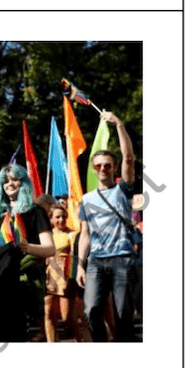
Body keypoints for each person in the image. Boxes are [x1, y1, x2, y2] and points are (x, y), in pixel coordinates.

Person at [74, 111, 140, 342]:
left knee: (123, 313)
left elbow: (129, 157)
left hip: (122, 258)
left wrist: (119, 124)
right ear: (93, 169)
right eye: (99, 166)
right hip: (96, 262)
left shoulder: (123, 190)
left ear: (115, 168)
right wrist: (80, 265)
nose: (103, 169)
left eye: (108, 166)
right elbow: (85, 234)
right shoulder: (86, 199)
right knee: (90, 310)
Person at [43, 204, 85, 342]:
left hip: (65, 277)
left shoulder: (71, 234)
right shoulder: (46, 235)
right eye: (57, 217)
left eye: (63, 216)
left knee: (67, 317)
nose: (61, 220)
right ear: (51, 218)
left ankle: (82, 341)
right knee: (48, 314)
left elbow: (74, 256)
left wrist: (73, 278)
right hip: (48, 276)